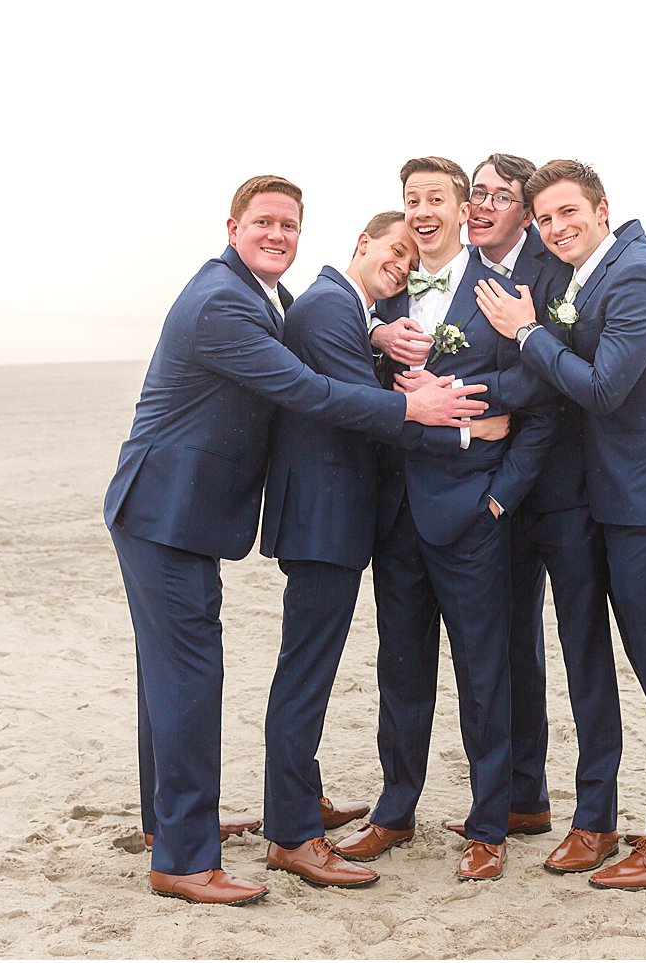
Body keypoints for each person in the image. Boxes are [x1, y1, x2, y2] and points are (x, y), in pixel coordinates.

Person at [104, 175, 490, 906]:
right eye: (265, 223)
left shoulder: (264, 296)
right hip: (164, 508)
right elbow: (305, 388)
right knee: (190, 678)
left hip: (179, 512)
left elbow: (308, 326)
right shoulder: (223, 300)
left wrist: (374, 331)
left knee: (171, 676)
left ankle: (170, 823)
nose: (277, 235)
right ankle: (185, 857)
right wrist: (412, 405)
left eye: (289, 225)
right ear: (232, 226)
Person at [473, 160, 646, 891]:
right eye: (548, 217)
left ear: (602, 209)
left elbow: (601, 386)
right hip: (626, 498)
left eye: (569, 213)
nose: (558, 228)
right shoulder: (588, 274)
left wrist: (527, 331)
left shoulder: (635, 276)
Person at [258, 211, 511, 889]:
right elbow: (361, 403)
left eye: (408, 252)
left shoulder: (402, 304)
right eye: (390, 248)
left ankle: (491, 823)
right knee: (378, 672)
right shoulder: (332, 307)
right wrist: (450, 421)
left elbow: (521, 396)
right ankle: (359, 813)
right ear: (360, 245)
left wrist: (486, 453)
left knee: (482, 671)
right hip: (349, 522)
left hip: (451, 519)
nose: (400, 261)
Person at [334, 158, 553, 882]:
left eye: (436, 199)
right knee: (399, 670)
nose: (422, 211)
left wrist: (493, 478)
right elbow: (361, 389)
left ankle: (490, 823)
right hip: (395, 516)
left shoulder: (498, 292)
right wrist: (376, 342)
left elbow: (533, 386)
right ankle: (395, 810)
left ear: (464, 209)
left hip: (471, 514)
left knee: (484, 672)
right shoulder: (387, 300)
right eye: (411, 200)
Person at [404, 153, 624, 875]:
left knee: (582, 651)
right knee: (513, 650)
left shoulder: (553, 268)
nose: (480, 206)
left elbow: (553, 384)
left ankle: (594, 817)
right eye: (480, 193)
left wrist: (486, 410)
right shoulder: (463, 270)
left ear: (525, 211)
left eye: (500, 196)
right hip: (493, 503)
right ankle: (524, 796)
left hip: (556, 493)